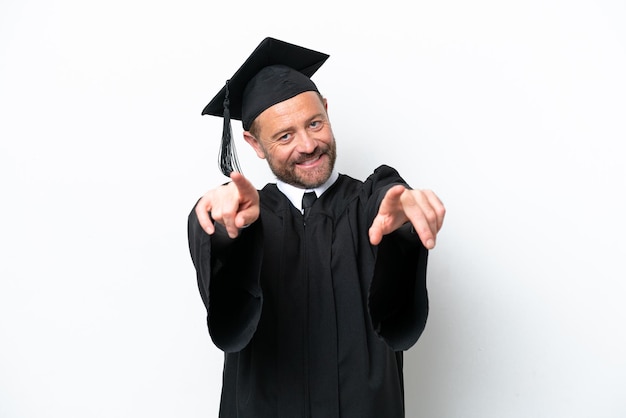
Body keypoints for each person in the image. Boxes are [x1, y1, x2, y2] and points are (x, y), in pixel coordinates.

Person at [187, 37, 445, 418]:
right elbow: (226, 288)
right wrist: (225, 232)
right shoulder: (243, 215)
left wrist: (404, 228)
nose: (308, 145)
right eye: (285, 135)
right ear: (254, 143)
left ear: (326, 109)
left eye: (314, 123)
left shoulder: (370, 202)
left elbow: (388, 201)